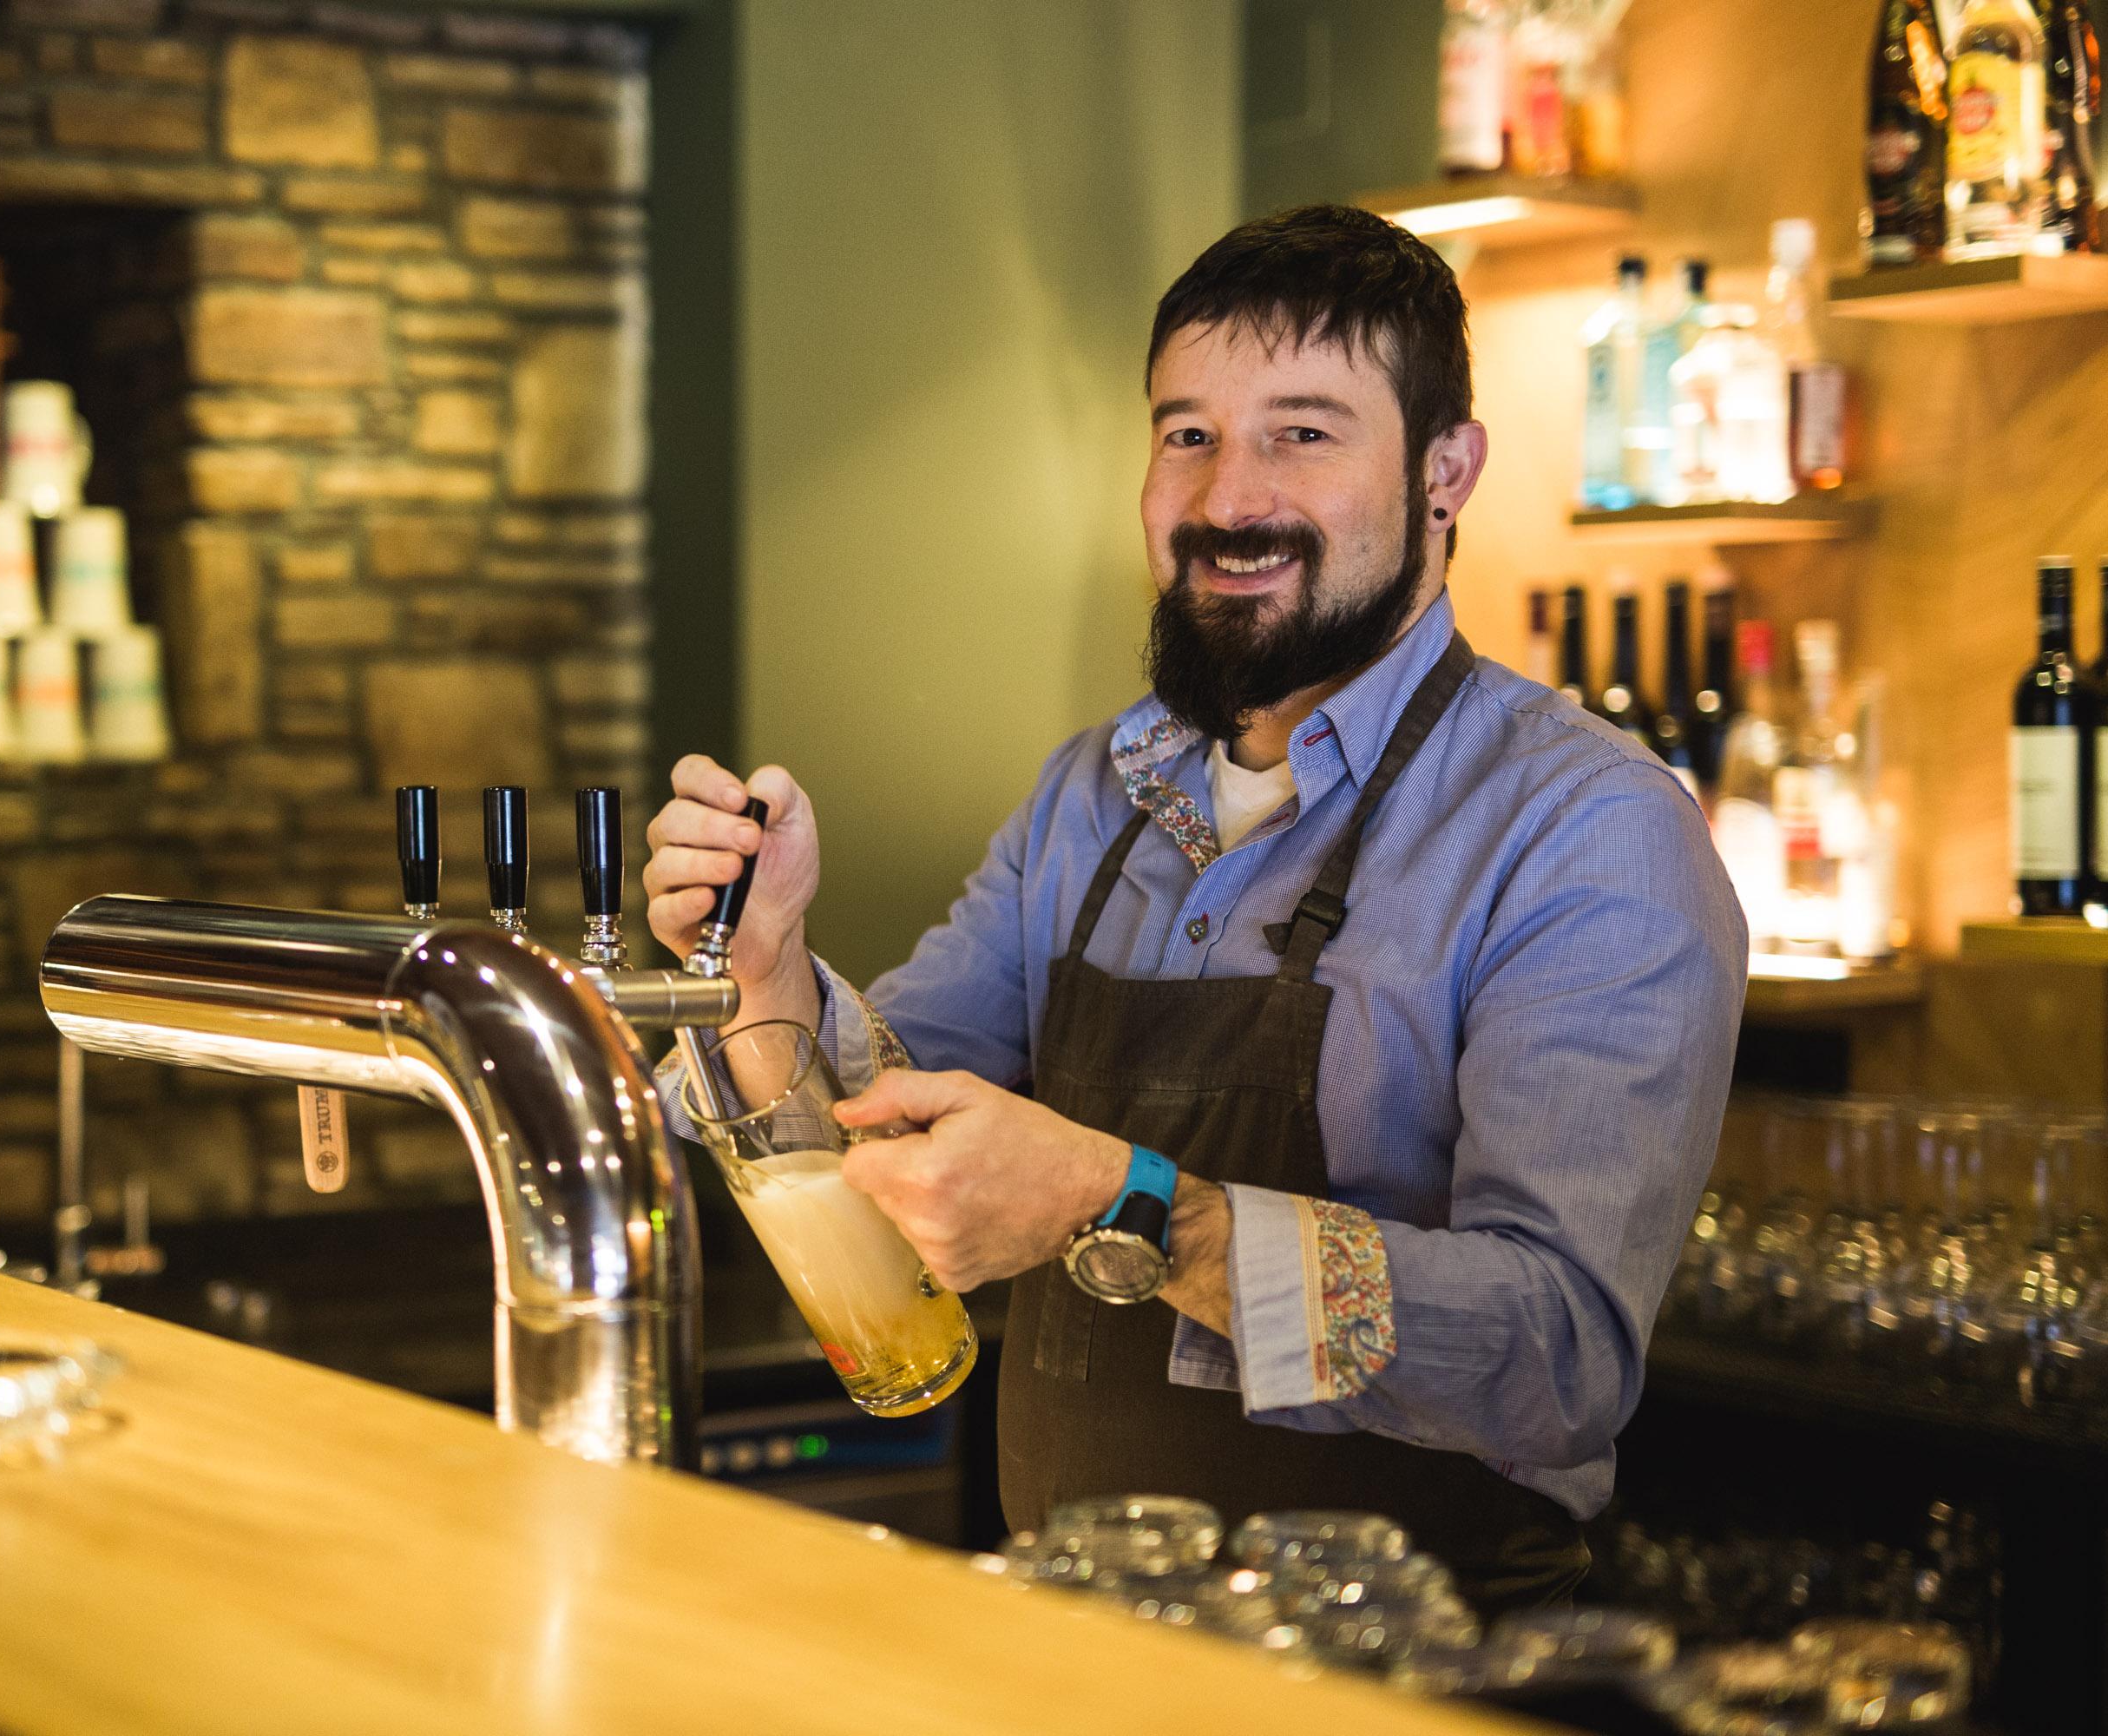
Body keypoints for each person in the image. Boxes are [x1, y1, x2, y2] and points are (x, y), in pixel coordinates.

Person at [646, 204, 1747, 1610]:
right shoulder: (1090, 797)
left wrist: (1128, 1210)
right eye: (1187, 434)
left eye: (1303, 431)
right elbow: (867, 1141)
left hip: (1414, 1682)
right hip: (1083, 1657)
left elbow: (1556, 1361)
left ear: (1447, 471)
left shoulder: (1587, 833)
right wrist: (766, 969)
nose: (1230, 499)